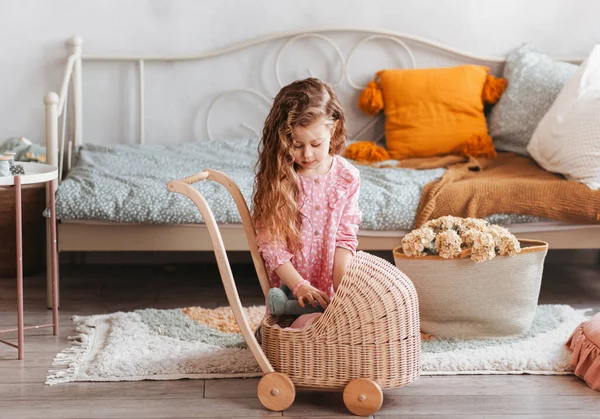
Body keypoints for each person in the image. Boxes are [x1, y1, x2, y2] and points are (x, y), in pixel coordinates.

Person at [252, 78, 361, 317]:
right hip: (291, 287)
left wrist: (342, 285)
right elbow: (272, 245)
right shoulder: (279, 178)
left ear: (332, 129)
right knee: (303, 327)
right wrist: (299, 285)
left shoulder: (347, 177)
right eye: (296, 145)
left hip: (331, 284)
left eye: (315, 143)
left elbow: (345, 237)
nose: (307, 154)